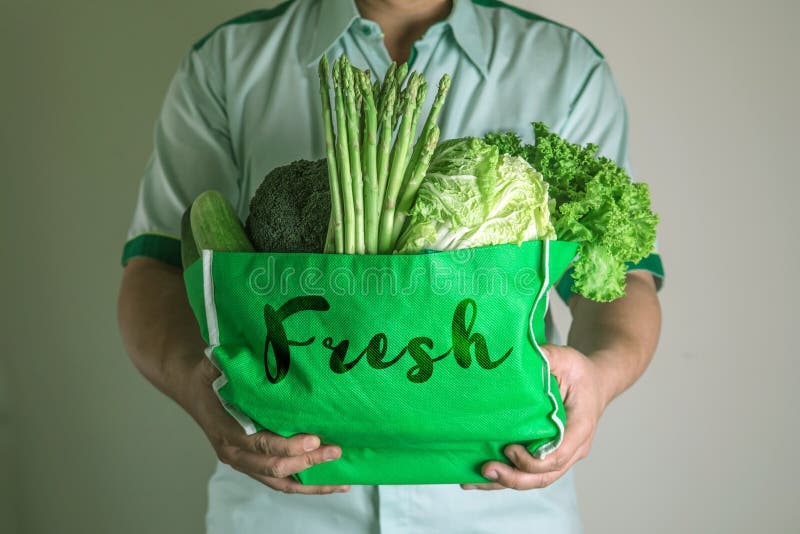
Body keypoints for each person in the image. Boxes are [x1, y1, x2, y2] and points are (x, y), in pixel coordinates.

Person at [117, 0, 663, 531]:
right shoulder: (228, 59)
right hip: (284, 507)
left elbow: (615, 277)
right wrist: (196, 390)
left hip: (499, 508)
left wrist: (602, 375)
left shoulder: (563, 64)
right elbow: (159, 269)